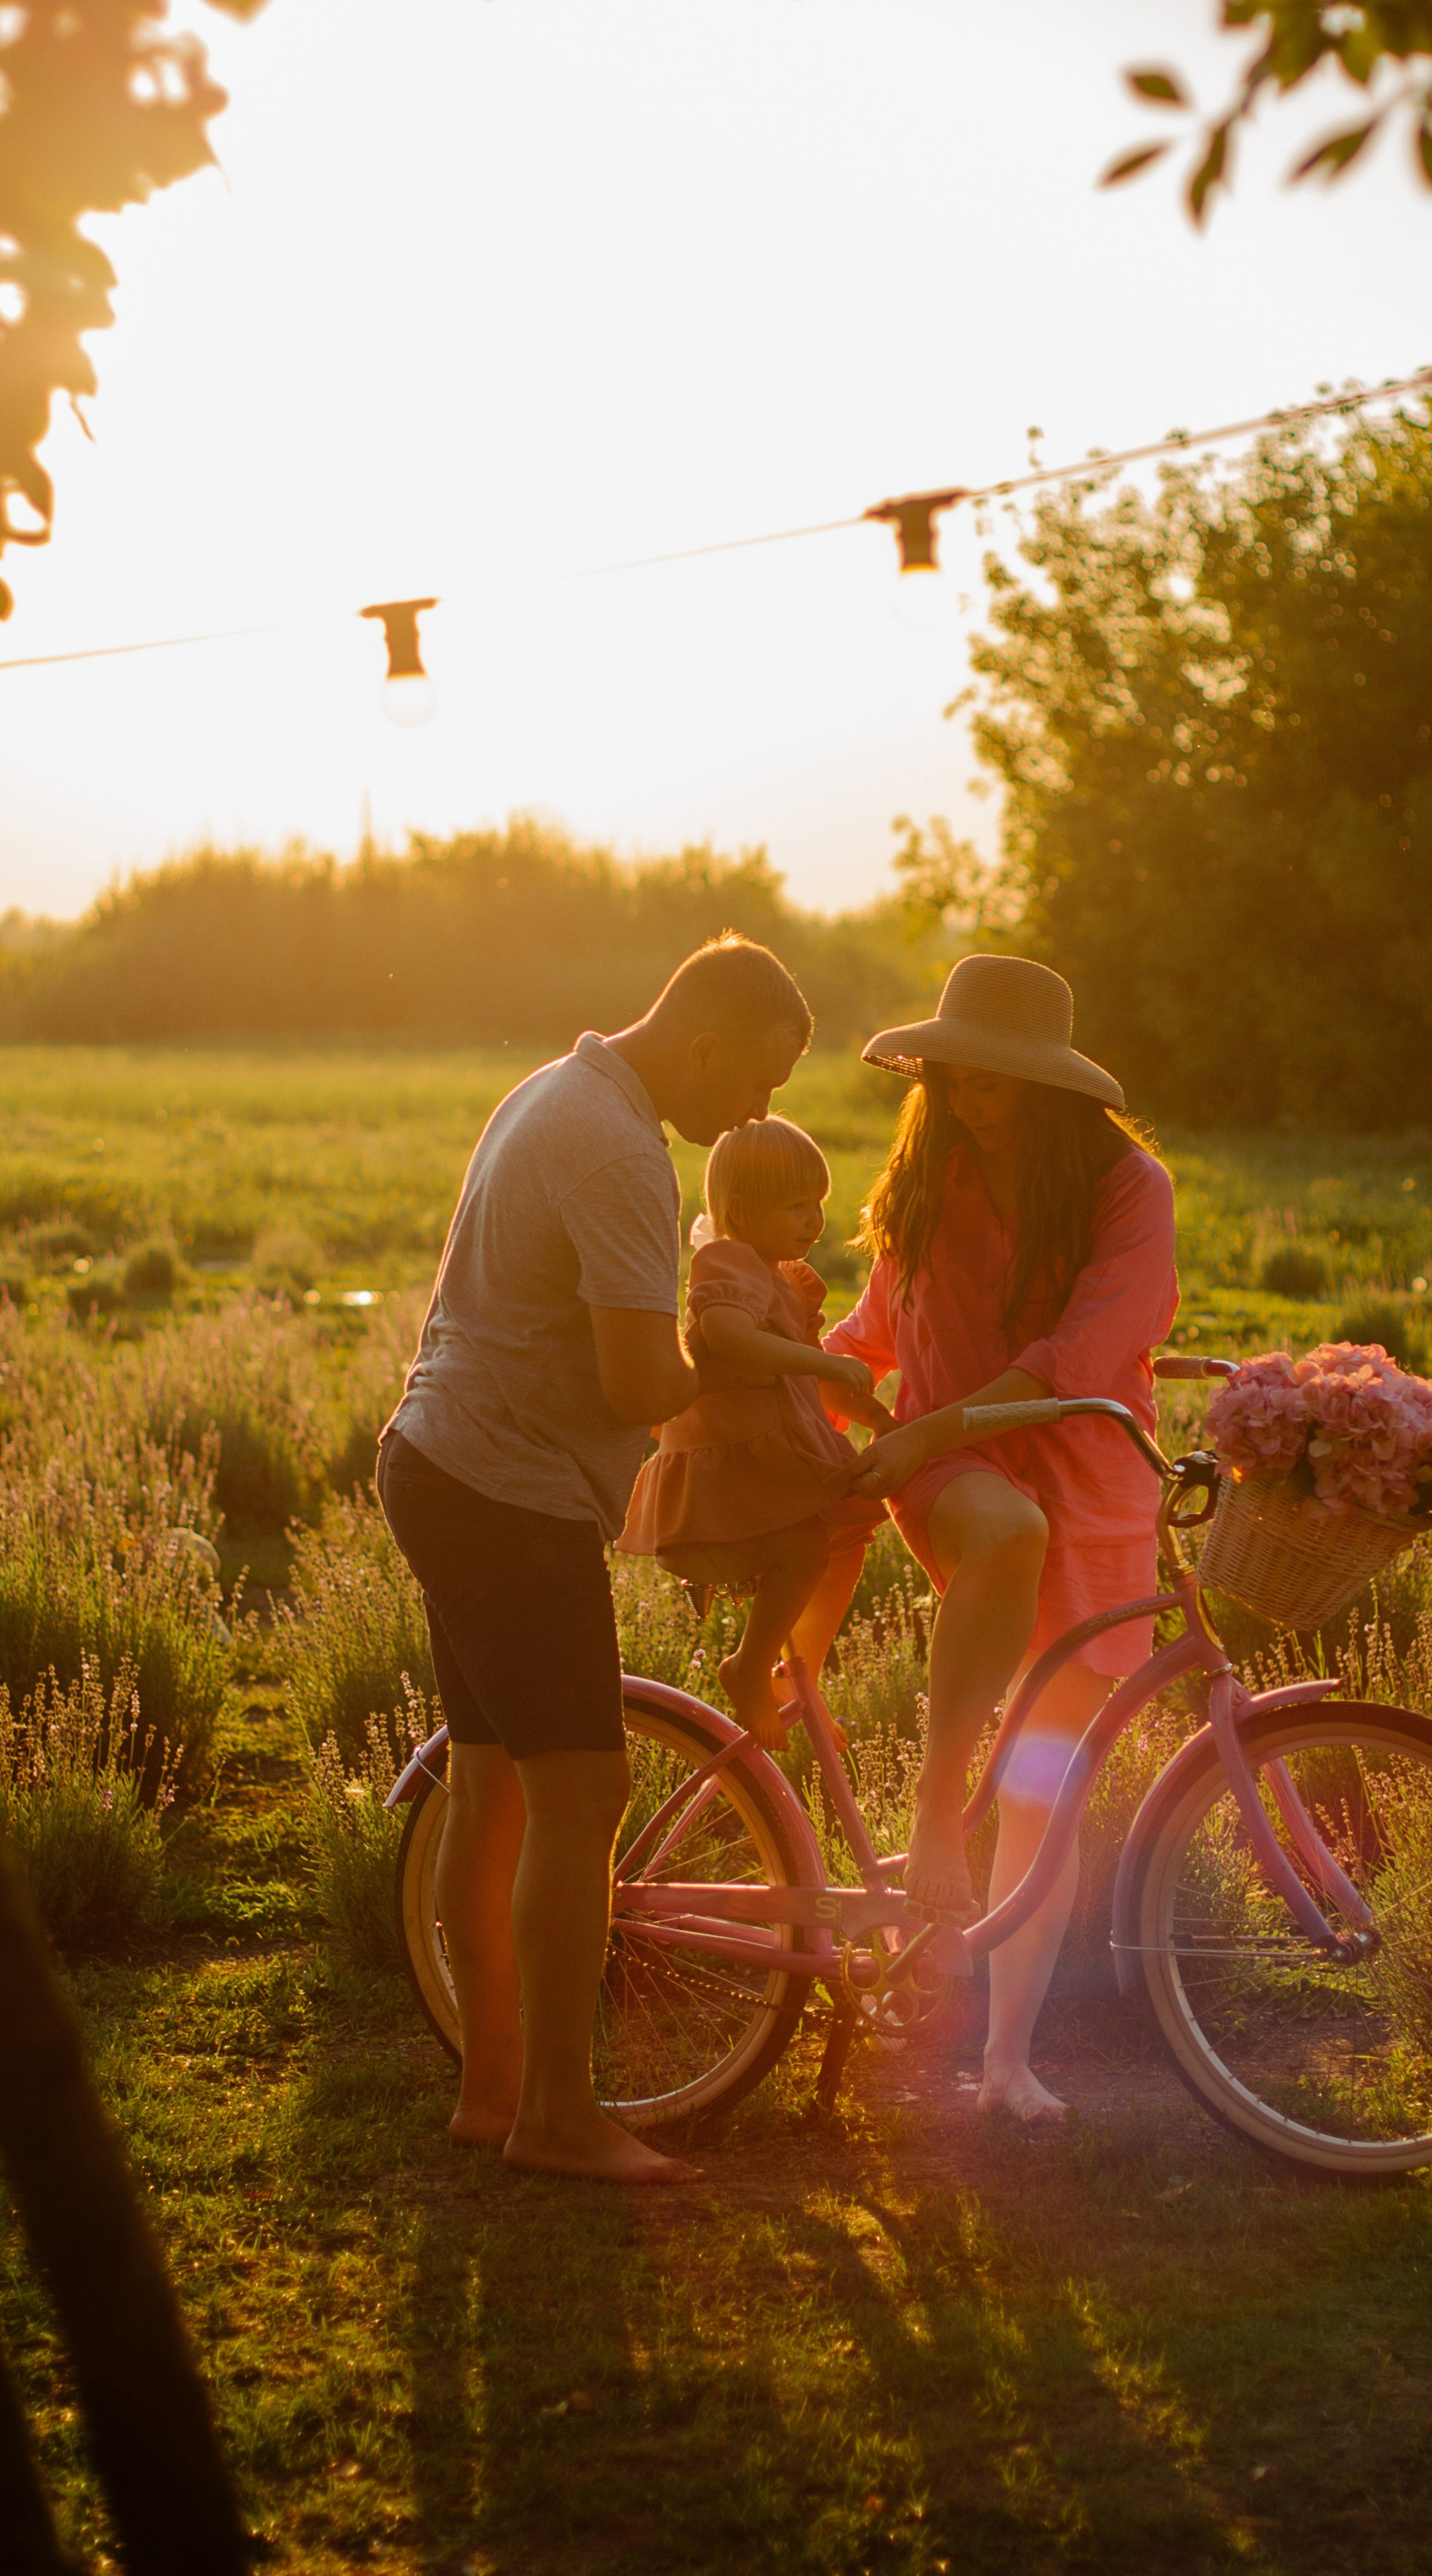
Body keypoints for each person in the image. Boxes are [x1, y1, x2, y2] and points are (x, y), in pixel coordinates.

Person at [375, 932, 813, 2185]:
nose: (756, 1116)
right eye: (758, 1083)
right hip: (505, 1493)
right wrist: (721, 1361)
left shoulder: (552, 1088)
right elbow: (637, 1382)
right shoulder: (625, 1154)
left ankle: (495, 2093)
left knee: (493, 1785)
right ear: (707, 1043)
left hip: (436, 1458)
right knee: (580, 1800)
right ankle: (560, 2116)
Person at [828, 953, 1177, 2124]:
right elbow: (880, 1330)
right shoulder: (933, 1168)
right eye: (953, 1070)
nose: (966, 1091)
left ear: (1049, 1084)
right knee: (1006, 1530)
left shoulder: (1127, 1187)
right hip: (962, 1474)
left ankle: (1008, 2061)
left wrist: (942, 1427)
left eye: (994, 1076)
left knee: (1049, 1792)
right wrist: (779, 1373)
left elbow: (1085, 1353)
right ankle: (933, 1817)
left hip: (1088, 1479)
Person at [618, 1115, 891, 1751]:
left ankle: (797, 1672)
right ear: (741, 1210)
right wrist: (824, 1361)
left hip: (770, 1460)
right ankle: (749, 1664)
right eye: (796, 1205)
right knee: (802, 1549)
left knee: (845, 1532)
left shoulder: (778, 1276)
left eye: (818, 1203)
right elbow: (728, 1339)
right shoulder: (728, 1262)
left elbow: (798, 1368)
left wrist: (869, 1411)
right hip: (732, 1470)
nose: (814, 1221)